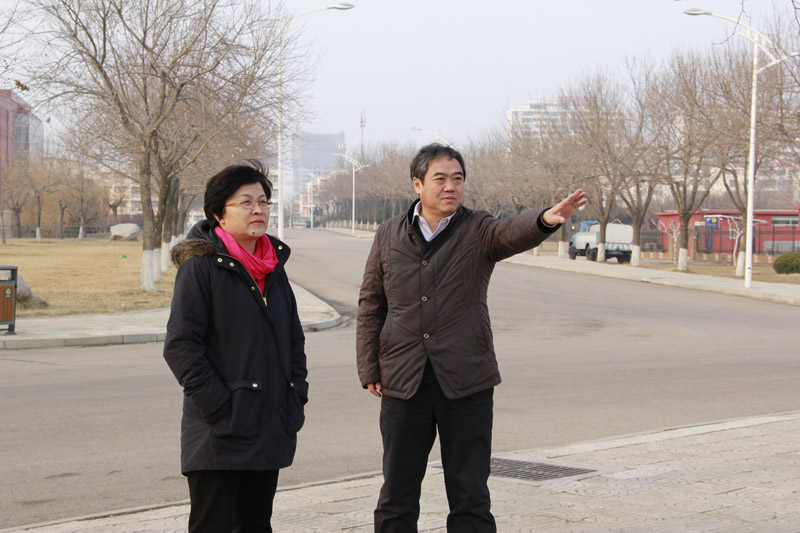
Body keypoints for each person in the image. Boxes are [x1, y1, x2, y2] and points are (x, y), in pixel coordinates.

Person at [357, 143, 587, 532]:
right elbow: (371, 303)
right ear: (417, 184)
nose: (451, 187)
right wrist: (369, 367)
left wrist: (544, 220)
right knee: (396, 495)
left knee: (470, 497)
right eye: (440, 178)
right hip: (403, 380)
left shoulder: (478, 229)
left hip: (466, 381)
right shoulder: (388, 234)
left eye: (458, 178)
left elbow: (510, 232)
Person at [163, 160, 308, 532]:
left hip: (268, 425)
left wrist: (295, 395)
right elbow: (181, 345)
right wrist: (219, 407)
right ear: (218, 213)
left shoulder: (273, 269)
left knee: (256, 525)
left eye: (263, 202)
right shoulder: (200, 268)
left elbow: (293, 340)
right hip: (219, 432)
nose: (258, 210)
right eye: (246, 202)